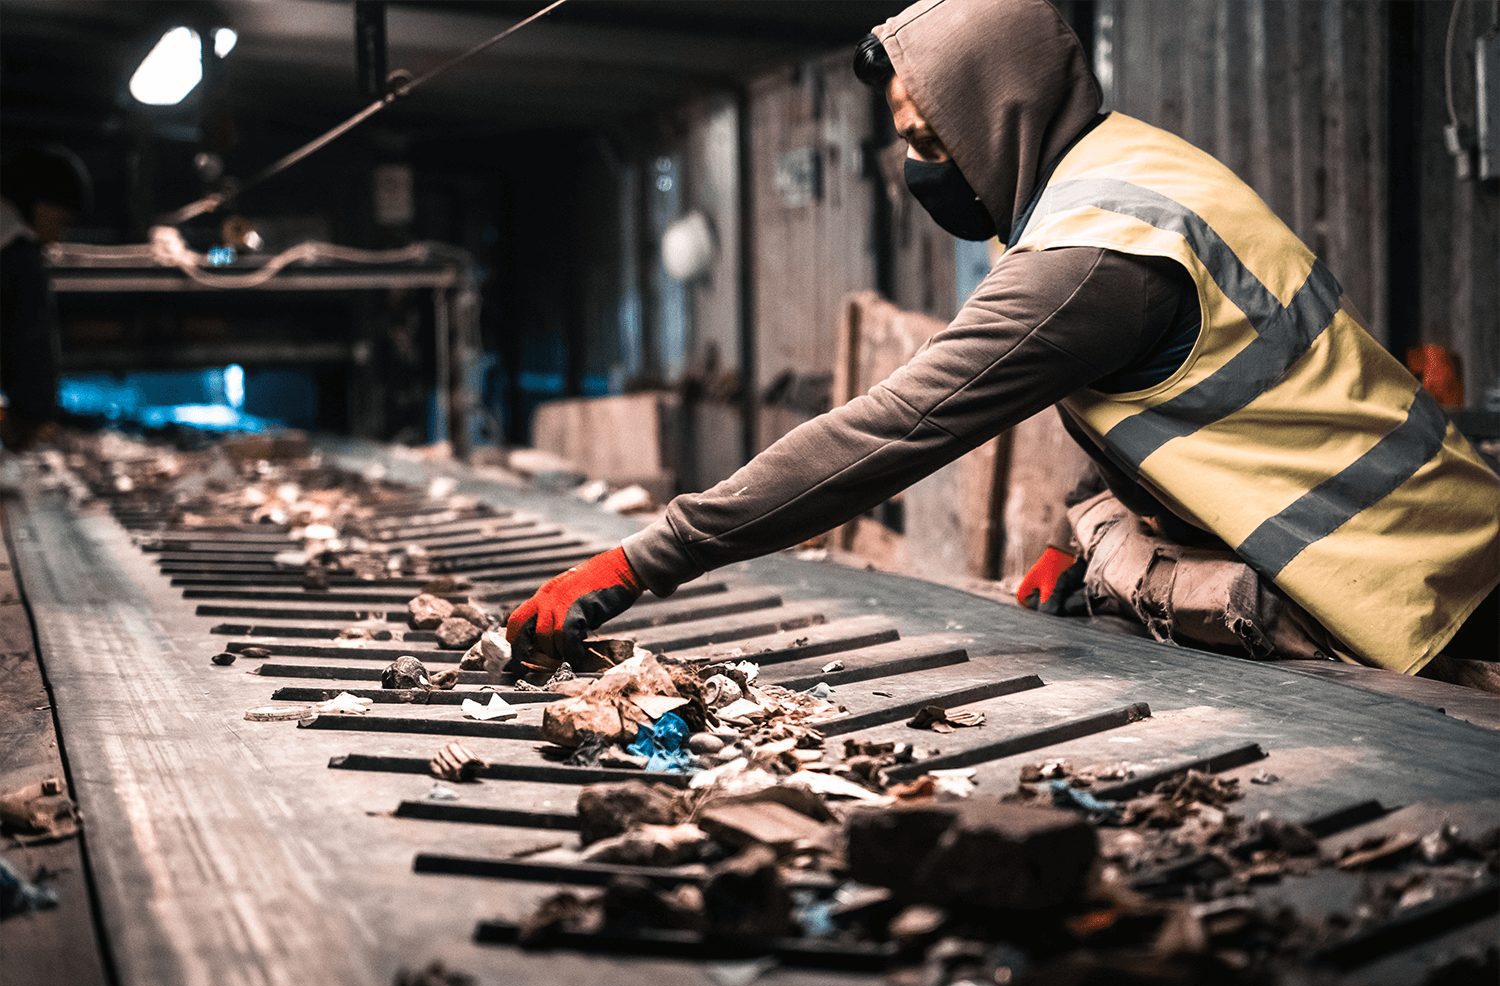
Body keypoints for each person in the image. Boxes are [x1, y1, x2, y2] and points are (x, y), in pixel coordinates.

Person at [507, 0, 1499, 677]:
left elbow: (889, 430)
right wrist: (1080, 523)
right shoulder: (1130, 166)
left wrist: (641, 560)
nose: (917, 168)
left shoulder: (1093, 252)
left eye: (931, 142)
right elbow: (1182, 395)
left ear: (1001, 115)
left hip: (1418, 584)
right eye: (904, 139)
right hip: (1442, 535)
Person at [1, 144, 91, 450]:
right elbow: (30, 345)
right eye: (62, 222)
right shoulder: (18, 256)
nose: (58, 238)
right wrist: (31, 417)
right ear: (41, 207)